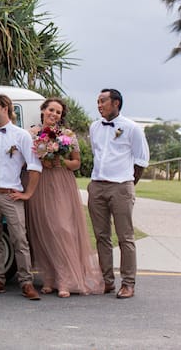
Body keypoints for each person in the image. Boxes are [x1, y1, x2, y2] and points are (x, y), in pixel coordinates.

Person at [26, 97, 104, 297]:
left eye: (58, 112)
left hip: (61, 184)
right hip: (40, 183)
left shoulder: (67, 136)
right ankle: (50, 279)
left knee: (63, 229)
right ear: (43, 110)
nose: (54, 114)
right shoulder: (31, 133)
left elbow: (76, 163)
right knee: (44, 230)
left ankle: (66, 280)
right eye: (51, 110)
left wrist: (60, 160)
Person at [0, 93, 42, 300]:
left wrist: (27, 193)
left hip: (11, 195)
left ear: (5, 108)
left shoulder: (21, 135)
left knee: (20, 239)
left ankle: (26, 283)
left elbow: (34, 166)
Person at [88, 88, 150, 299]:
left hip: (121, 186)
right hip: (97, 185)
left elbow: (141, 160)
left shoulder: (132, 128)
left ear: (116, 103)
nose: (99, 105)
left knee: (125, 237)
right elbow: (98, 154)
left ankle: (128, 283)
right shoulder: (94, 127)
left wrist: (128, 184)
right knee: (102, 236)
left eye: (103, 101)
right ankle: (107, 281)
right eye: (97, 101)